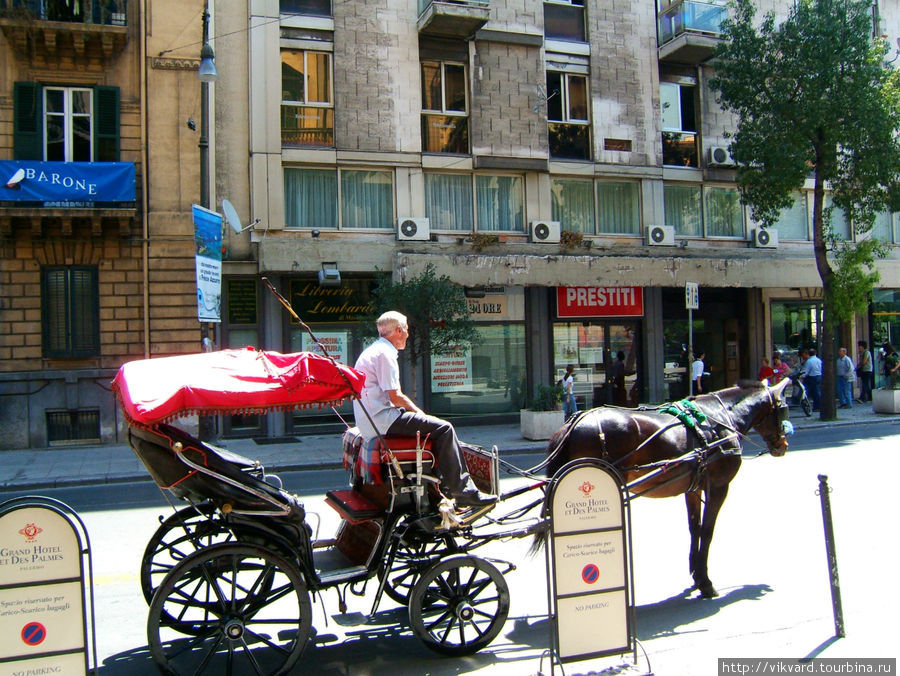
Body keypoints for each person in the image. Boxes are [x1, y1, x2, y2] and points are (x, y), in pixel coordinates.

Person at [352, 311, 496, 508]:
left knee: (432, 428)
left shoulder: (374, 350)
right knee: (444, 428)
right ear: (399, 331)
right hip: (382, 420)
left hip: (373, 419)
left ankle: (443, 481)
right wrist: (420, 413)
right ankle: (463, 491)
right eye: (407, 331)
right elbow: (395, 396)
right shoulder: (385, 354)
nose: (408, 335)